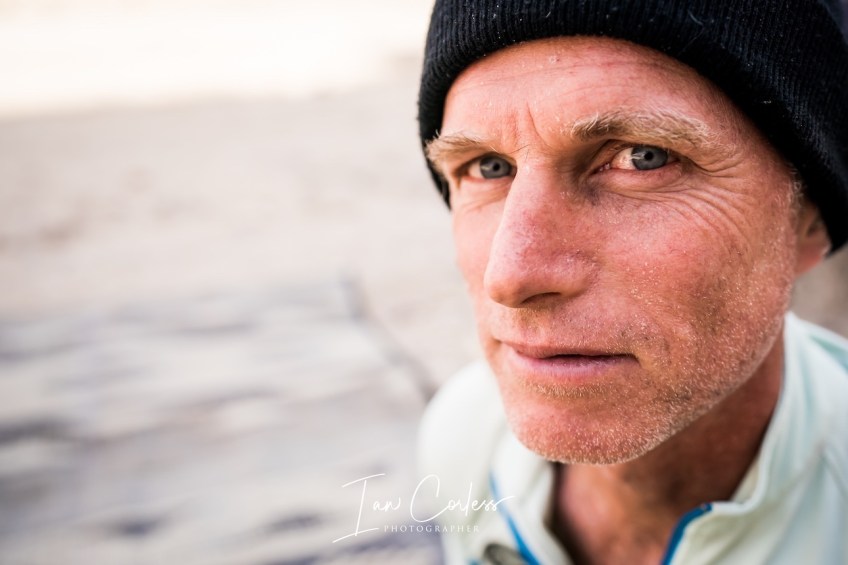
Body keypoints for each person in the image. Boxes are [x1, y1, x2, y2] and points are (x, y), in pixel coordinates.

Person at [415, 1, 848, 563]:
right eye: (487, 167)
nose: (512, 275)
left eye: (643, 158)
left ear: (810, 221)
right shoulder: (463, 434)